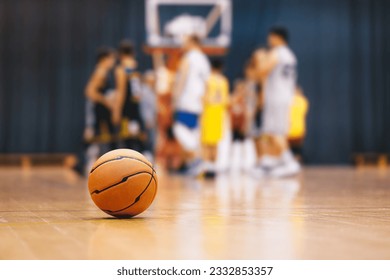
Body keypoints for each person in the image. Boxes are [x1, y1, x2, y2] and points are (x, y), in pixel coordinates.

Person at [252, 26, 300, 177]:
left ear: (276, 37)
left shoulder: (276, 53)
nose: (268, 40)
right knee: (271, 130)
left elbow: (262, 71)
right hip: (285, 96)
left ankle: (289, 162)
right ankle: (271, 162)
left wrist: (259, 59)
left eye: (270, 37)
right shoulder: (290, 55)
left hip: (276, 96)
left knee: (274, 131)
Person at [172, 35, 211, 175]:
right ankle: (189, 164)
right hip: (198, 103)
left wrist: (175, 98)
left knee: (179, 129)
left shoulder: (188, 58)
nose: (182, 43)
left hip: (186, 101)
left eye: (184, 41)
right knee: (192, 132)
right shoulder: (204, 60)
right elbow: (207, 84)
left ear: (192, 42)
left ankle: (197, 160)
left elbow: (181, 80)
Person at [82, 46, 116, 173]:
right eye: (111, 59)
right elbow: (89, 91)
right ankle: (86, 164)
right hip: (98, 110)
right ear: (104, 59)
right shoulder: (100, 71)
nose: (113, 62)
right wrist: (105, 101)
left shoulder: (105, 72)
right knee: (95, 136)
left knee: (106, 136)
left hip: (102, 110)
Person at [114, 40, 145, 152]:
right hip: (136, 109)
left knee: (126, 142)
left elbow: (121, 91)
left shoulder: (121, 69)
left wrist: (116, 111)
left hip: (126, 110)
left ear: (120, 54)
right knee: (138, 139)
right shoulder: (136, 66)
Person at [200, 59, 229, 178]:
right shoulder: (224, 81)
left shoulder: (208, 80)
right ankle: (213, 167)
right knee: (215, 143)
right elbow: (226, 100)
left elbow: (204, 97)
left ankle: (207, 167)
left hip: (208, 112)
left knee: (206, 142)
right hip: (219, 113)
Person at [288, 86, 309, 161]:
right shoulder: (303, 101)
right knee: (298, 150)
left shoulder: (288, 101)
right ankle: (297, 163)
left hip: (289, 129)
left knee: (288, 150)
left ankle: (290, 163)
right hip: (300, 129)